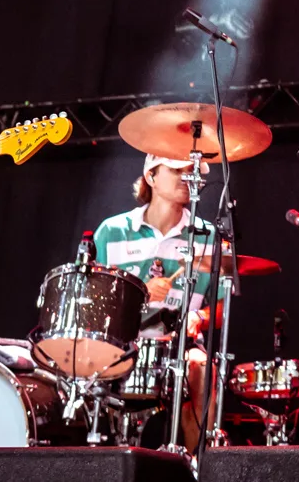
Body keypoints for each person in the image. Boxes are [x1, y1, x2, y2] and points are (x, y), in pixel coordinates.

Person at [91, 153, 216, 446]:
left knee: (202, 366)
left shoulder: (207, 235)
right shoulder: (112, 230)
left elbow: (220, 305)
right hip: (120, 344)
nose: (187, 177)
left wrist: (199, 317)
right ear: (151, 177)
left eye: (192, 171)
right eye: (177, 170)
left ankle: (195, 462)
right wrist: (140, 293)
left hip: (179, 347)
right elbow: (92, 303)